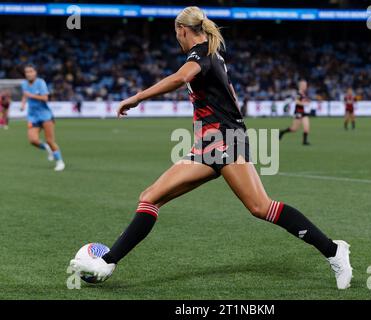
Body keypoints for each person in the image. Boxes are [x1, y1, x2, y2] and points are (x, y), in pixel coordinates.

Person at [70, 6, 352, 289]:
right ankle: (108, 261)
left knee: (259, 206)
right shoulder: (211, 54)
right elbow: (227, 95)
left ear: (182, 30)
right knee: (150, 197)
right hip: (208, 144)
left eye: (176, 33)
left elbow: (180, 78)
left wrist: (137, 98)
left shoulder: (201, 53)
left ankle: (334, 251)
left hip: (226, 140)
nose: (177, 39)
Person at [21, 64, 65, 171]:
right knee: (33, 140)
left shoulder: (40, 83)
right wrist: (23, 103)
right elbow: (25, 95)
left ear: (35, 72)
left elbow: (45, 98)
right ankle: (47, 148)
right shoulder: (24, 84)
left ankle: (60, 162)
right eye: (27, 72)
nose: (29, 74)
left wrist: (31, 95)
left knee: (50, 140)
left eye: (31, 71)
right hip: (32, 116)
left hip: (45, 116)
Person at [279, 80, 311, 145]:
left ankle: (304, 142)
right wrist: (304, 104)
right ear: (301, 86)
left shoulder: (304, 93)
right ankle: (282, 132)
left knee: (307, 127)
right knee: (294, 129)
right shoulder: (298, 93)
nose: (305, 86)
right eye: (304, 85)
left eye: (306, 85)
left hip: (304, 112)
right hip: (298, 112)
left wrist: (307, 102)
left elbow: (304, 101)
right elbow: (297, 102)